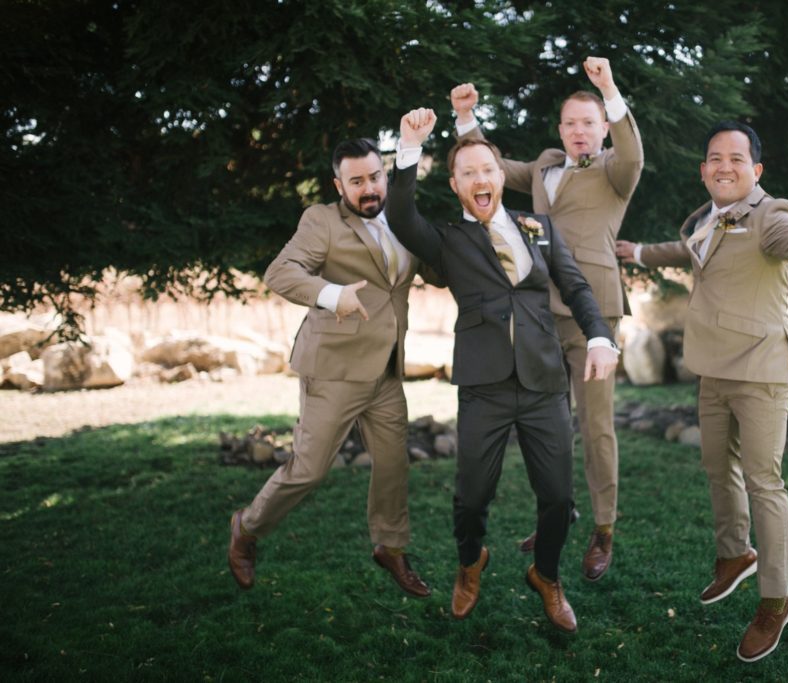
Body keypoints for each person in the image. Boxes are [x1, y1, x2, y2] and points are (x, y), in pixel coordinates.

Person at [615, 121, 788, 662]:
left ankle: (774, 599)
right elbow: (686, 253)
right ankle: (733, 555)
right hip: (714, 369)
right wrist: (637, 252)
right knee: (714, 466)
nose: (724, 166)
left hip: (761, 372)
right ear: (704, 169)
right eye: (714, 158)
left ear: (757, 170)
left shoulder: (772, 213)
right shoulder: (708, 218)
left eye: (735, 158)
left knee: (763, 481)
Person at [385, 107, 619, 633]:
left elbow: (577, 288)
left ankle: (548, 576)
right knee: (471, 499)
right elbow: (400, 217)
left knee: (558, 497)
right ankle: (470, 564)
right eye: (467, 173)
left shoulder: (539, 228)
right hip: (484, 387)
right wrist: (406, 148)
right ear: (456, 185)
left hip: (544, 384)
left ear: (499, 176)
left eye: (487, 169)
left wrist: (600, 335)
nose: (480, 179)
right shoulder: (446, 241)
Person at [451, 56, 643, 581]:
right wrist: (467, 119)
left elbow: (632, 150)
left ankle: (603, 528)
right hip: (537, 314)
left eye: (590, 122)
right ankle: (560, 514)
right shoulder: (542, 166)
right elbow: (490, 166)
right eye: (571, 123)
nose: (580, 131)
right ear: (560, 129)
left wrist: (608, 87)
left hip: (592, 314)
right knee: (549, 424)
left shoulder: (615, 170)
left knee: (595, 424)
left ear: (603, 128)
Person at [228, 138, 438, 598]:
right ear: (338, 184)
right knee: (308, 470)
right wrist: (331, 294)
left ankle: (390, 547)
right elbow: (281, 272)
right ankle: (247, 527)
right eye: (356, 181)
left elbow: (436, 266)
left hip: (385, 370)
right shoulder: (322, 220)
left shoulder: (403, 219)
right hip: (333, 369)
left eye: (375, 177)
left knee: (392, 464)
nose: (368, 189)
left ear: (386, 176)